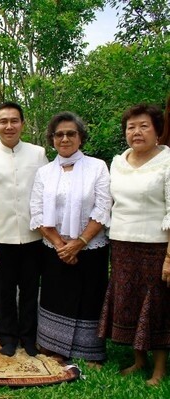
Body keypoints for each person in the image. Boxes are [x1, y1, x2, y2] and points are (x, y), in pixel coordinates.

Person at [30, 112, 111, 364]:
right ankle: (54, 347)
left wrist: (79, 243)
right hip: (54, 247)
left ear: (80, 137)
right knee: (57, 296)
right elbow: (37, 210)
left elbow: (103, 207)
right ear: (52, 139)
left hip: (90, 246)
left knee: (89, 296)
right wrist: (60, 245)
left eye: (71, 133)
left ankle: (89, 353)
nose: (65, 138)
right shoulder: (44, 172)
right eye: (59, 134)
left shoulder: (97, 166)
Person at [98, 104, 170, 386]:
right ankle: (139, 359)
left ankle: (159, 368)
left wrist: (168, 257)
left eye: (144, 126)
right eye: (131, 127)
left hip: (155, 245)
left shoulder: (166, 162)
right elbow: (109, 203)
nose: (136, 132)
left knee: (157, 304)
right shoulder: (118, 162)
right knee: (129, 301)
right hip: (122, 243)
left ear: (157, 130)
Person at [0, 101, 48, 357]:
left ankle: (28, 337)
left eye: (14, 121)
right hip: (0, 237)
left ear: (22, 124)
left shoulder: (38, 154)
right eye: (3, 121)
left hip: (34, 235)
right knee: (3, 291)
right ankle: (7, 337)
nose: (9, 126)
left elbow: (46, 192)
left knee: (29, 290)